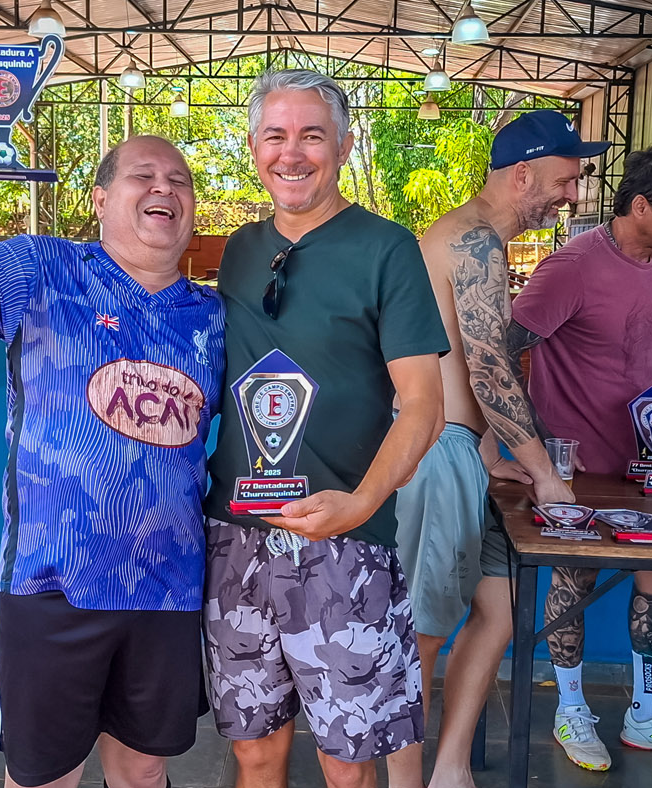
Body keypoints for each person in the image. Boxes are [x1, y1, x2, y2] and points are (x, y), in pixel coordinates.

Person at [0, 135, 224, 788]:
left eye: (179, 179)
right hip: (54, 581)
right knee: (45, 775)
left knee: (143, 767)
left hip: (169, 583)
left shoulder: (213, 316)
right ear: (100, 199)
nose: (164, 187)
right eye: (143, 175)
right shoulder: (44, 268)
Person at [201, 69, 447, 788]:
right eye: (275, 135)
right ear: (254, 147)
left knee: (347, 759)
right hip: (236, 538)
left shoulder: (386, 248)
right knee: (253, 749)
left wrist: (361, 503)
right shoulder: (240, 250)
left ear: (342, 146)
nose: (292, 153)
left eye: (312, 135)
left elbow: (423, 405)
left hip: (344, 540)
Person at [387, 110, 611, 788]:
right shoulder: (472, 240)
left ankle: (451, 769)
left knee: (500, 612)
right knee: (422, 633)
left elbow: (462, 361)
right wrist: (546, 474)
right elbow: (487, 368)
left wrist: (493, 456)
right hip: (437, 454)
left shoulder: (475, 239)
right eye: (564, 180)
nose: (572, 195)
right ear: (521, 175)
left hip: (467, 454)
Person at [508, 146, 652, 771]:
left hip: (649, 465)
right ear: (641, 207)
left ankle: (648, 715)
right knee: (574, 584)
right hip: (579, 468)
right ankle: (571, 709)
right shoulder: (571, 267)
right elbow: (499, 351)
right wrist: (525, 445)